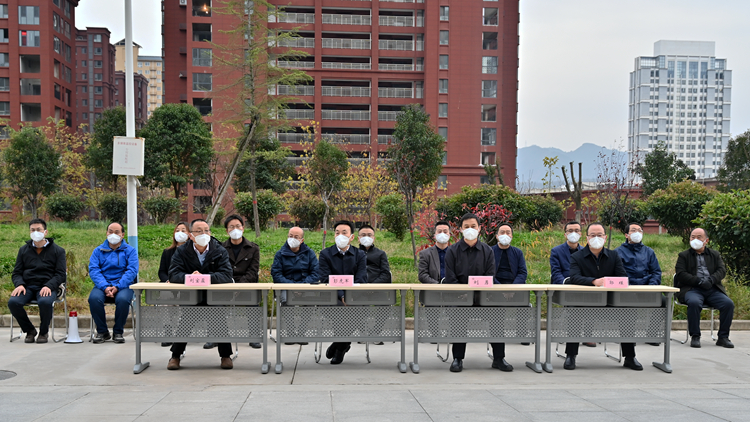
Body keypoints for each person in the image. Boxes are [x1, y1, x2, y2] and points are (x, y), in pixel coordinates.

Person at [565, 222, 642, 371]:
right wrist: (593, 281)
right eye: (592, 235)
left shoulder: (613, 256)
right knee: (573, 311)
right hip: (584, 301)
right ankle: (571, 355)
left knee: (627, 310)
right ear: (587, 238)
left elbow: (622, 277)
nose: (596, 238)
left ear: (605, 238)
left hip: (609, 301)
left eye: (599, 235)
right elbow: (574, 277)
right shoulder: (577, 257)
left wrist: (609, 282)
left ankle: (630, 357)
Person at [444, 213, 508, 373]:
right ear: (460, 229)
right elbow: (450, 278)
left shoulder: (487, 250)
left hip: (483, 297)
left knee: (497, 313)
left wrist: (477, 292)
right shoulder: (452, 251)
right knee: (457, 315)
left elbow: (490, 276)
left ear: (479, 228)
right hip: (460, 297)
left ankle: (499, 358)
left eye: (473, 226)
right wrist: (464, 293)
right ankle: (457, 358)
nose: (470, 229)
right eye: (466, 227)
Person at [167, 219, 234, 370]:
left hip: (214, 296)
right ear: (191, 235)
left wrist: (204, 278)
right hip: (191, 295)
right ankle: (175, 356)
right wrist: (190, 277)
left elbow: (226, 275)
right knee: (186, 319)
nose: (204, 234)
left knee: (219, 317)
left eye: (206, 230)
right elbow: (174, 274)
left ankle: (226, 356)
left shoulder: (219, 250)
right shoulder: (182, 251)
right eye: (199, 231)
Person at [9, 218, 66, 344]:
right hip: (27, 286)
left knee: (45, 302)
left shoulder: (58, 251)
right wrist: (20, 284)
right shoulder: (23, 250)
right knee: (13, 302)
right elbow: (17, 272)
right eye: (32, 230)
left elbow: (61, 274)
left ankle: (43, 332)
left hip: (47, 287)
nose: (35, 232)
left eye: (38, 229)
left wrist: (49, 285)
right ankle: (30, 330)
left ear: (45, 232)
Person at [675, 228, 734, 349]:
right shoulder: (683, 255)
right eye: (692, 237)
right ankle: (695, 336)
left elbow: (721, 271)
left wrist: (711, 280)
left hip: (712, 289)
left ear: (706, 240)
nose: (695, 240)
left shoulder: (714, 254)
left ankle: (723, 337)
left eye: (699, 237)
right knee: (694, 303)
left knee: (728, 304)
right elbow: (681, 274)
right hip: (692, 289)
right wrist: (698, 281)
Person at [318, 220, 367, 364]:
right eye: (337, 233)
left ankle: (339, 345)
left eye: (344, 233)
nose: (340, 235)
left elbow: (361, 278)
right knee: (340, 311)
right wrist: (342, 295)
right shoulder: (325, 254)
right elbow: (325, 278)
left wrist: (349, 297)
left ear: (352, 237)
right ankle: (343, 346)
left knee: (356, 311)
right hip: (331, 297)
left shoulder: (360, 254)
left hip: (354, 297)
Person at [88, 222, 138, 344]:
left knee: (123, 300)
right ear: (106, 233)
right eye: (110, 231)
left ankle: (118, 332)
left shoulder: (130, 251)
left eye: (116, 232)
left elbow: (132, 271)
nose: (113, 234)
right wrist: (105, 286)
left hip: (123, 286)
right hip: (102, 285)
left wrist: (118, 286)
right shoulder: (98, 251)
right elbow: (94, 270)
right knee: (94, 299)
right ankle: (102, 332)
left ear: (122, 235)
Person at [271, 226, 319, 345]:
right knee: (286, 301)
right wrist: (291, 286)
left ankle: (302, 333)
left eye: (296, 237)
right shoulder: (280, 254)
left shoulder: (309, 253)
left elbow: (316, 273)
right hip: (286, 287)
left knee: (310, 301)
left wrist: (302, 286)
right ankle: (291, 333)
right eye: (290, 236)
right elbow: (276, 274)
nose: (292, 239)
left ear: (302, 240)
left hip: (305, 287)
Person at [550, 221, 595, 348]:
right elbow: (556, 273)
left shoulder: (587, 251)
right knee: (574, 304)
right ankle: (573, 338)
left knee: (592, 301)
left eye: (576, 230)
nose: (573, 233)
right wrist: (566, 283)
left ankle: (588, 335)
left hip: (582, 286)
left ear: (581, 234)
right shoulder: (556, 251)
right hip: (565, 287)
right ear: (565, 234)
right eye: (570, 231)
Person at [219, 214, 261, 349]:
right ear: (227, 231)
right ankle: (216, 336)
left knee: (252, 301)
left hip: (246, 284)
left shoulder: (253, 248)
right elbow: (219, 269)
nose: (235, 229)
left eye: (238, 226)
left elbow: (253, 271)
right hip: (226, 284)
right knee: (215, 302)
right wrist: (230, 285)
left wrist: (240, 286)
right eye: (231, 227)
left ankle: (254, 336)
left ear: (243, 228)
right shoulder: (220, 248)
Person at [157, 222, 189, 347]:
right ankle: (168, 330)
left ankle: (183, 331)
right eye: (177, 230)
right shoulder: (167, 252)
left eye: (183, 230)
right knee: (164, 297)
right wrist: (167, 281)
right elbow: (162, 272)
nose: (180, 233)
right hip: (169, 286)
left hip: (186, 287)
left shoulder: (193, 252)